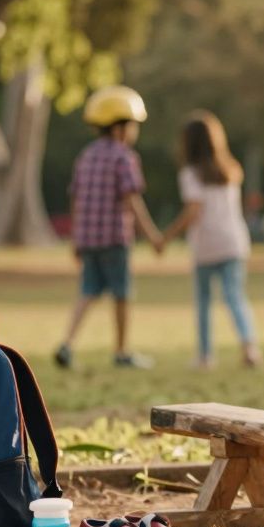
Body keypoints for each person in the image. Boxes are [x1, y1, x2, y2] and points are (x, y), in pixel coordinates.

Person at [54, 86, 164, 370]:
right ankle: (121, 351)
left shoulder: (86, 156)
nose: (135, 132)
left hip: (88, 239)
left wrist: (76, 239)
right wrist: (152, 235)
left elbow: (76, 199)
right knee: (122, 293)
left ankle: (67, 343)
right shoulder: (124, 157)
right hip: (114, 238)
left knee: (88, 291)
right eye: (133, 126)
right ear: (119, 128)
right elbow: (132, 200)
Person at [160, 111, 263, 370]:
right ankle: (249, 346)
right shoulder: (231, 169)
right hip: (233, 242)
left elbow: (193, 211)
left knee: (204, 302)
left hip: (206, 246)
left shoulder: (191, 174)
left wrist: (167, 237)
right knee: (235, 297)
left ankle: (205, 356)